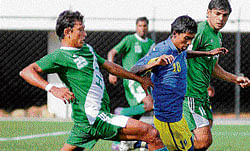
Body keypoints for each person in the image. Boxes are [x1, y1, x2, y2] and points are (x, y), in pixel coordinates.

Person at [19, 10, 168, 151]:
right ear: (67, 32)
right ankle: (131, 144)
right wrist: (52, 88)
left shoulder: (87, 49)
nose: (85, 33)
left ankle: (131, 145)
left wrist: (137, 78)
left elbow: (109, 66)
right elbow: (26, 71)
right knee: (151, 133)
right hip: (93, 117)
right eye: (81, 30)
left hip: (86, 121)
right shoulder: (59, 56)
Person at [130, 15, 227, 151]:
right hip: (167, 118)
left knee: (186, 147)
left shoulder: (179, 50)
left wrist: (207, 53)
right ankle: (138, 143)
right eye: (186, 38)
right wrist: (155, 63)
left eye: (191, 39)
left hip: (178, 116)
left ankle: (141, 144)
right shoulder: (162, 50)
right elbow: (133, 70)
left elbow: (187, 53)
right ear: (175, 34)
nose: (188, 43)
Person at [183, 0, 250, 150]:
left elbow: (213, 67)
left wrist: (235, 79)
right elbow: (181, 53)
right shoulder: (199, 30)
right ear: (208, 13)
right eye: (217, 14)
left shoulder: (217, 36)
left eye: (225, 15)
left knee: (203, 139)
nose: (221, 18)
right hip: (189, 95)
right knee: (204, 140)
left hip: (202, 95)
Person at [108, 16, 155, 119]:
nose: (142, 28)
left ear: (147, 27)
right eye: (140, 26)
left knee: (139, 113)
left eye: (144, 26)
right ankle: (120, 112)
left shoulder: (151, 44)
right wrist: (112, 73)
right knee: (150, 105)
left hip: (145, 80)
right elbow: (112, 52)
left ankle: (126, 130)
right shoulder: (130, 40)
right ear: (136, 27)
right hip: (132, 79)